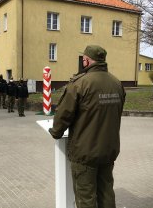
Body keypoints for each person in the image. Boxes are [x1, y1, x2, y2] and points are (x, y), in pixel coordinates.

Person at [49, 45, 126, 208]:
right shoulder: (117, 83)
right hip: (108, 150)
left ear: (86, 60)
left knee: (86, 198)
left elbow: (63, 116)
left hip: (85, 152)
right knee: (106, 194)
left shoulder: (79, 84)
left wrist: (56, 132)